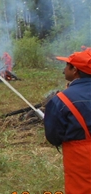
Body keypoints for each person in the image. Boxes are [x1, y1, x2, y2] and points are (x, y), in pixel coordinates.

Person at [44, 48, 91, 194]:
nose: (64, 70)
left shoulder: (61, 100)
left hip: (81, 158)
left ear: (75, 70)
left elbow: (53, 137)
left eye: (67, 65)